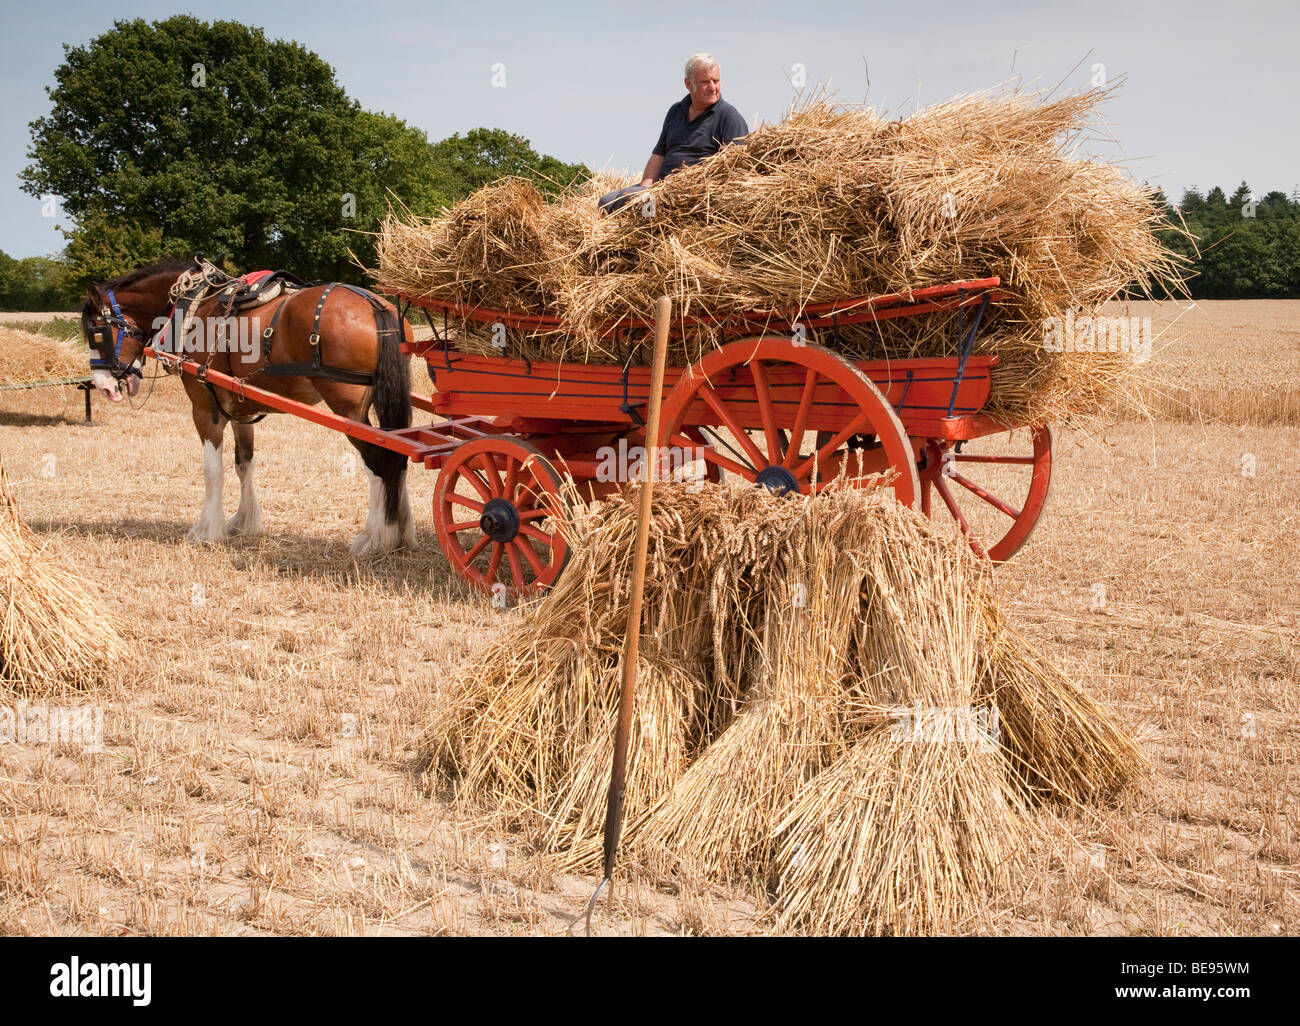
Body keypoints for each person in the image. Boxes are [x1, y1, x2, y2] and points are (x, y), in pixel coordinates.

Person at [599, 54, 748, 214]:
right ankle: (642, 219)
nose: (713, 87)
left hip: (690, 195)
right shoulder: (676, 111)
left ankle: (647, 229)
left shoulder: (729, 117)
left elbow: (737, 170)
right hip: (661, 187)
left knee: (635, 201)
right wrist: (646, 189)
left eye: (716, 81)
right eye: (705, 82)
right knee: (606, 202)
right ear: (688, 84)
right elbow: (658, 155)